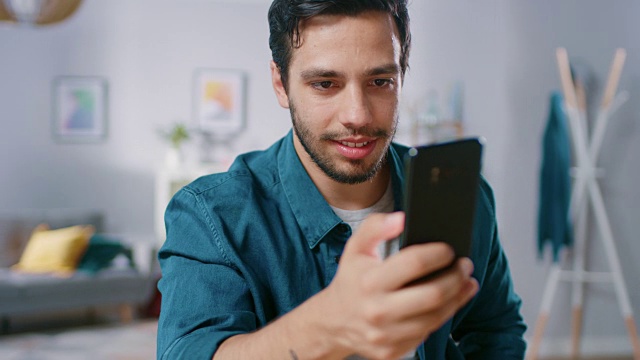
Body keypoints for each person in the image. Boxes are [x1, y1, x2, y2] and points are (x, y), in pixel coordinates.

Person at [157, 0, 527, 359]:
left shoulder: (465, 195)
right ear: (281, 83)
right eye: (325, 83)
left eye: (380, 81)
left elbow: (495, 331)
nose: (358, 115)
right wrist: (331, 325)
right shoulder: (210, 216)